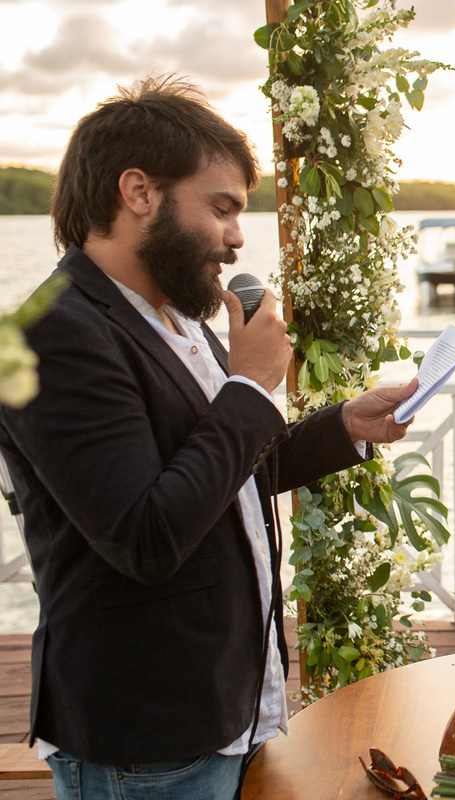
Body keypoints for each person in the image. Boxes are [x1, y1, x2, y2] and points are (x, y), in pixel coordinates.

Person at [0, 76, 421, 800]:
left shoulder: (178, 314)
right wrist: (253, 386)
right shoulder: (49, 335)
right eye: (221, 208)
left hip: (227, 705)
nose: (235, 237)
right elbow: (146, 533)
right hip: (147, 735)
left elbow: (216, 469)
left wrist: (343, 427)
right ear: (139, 192)